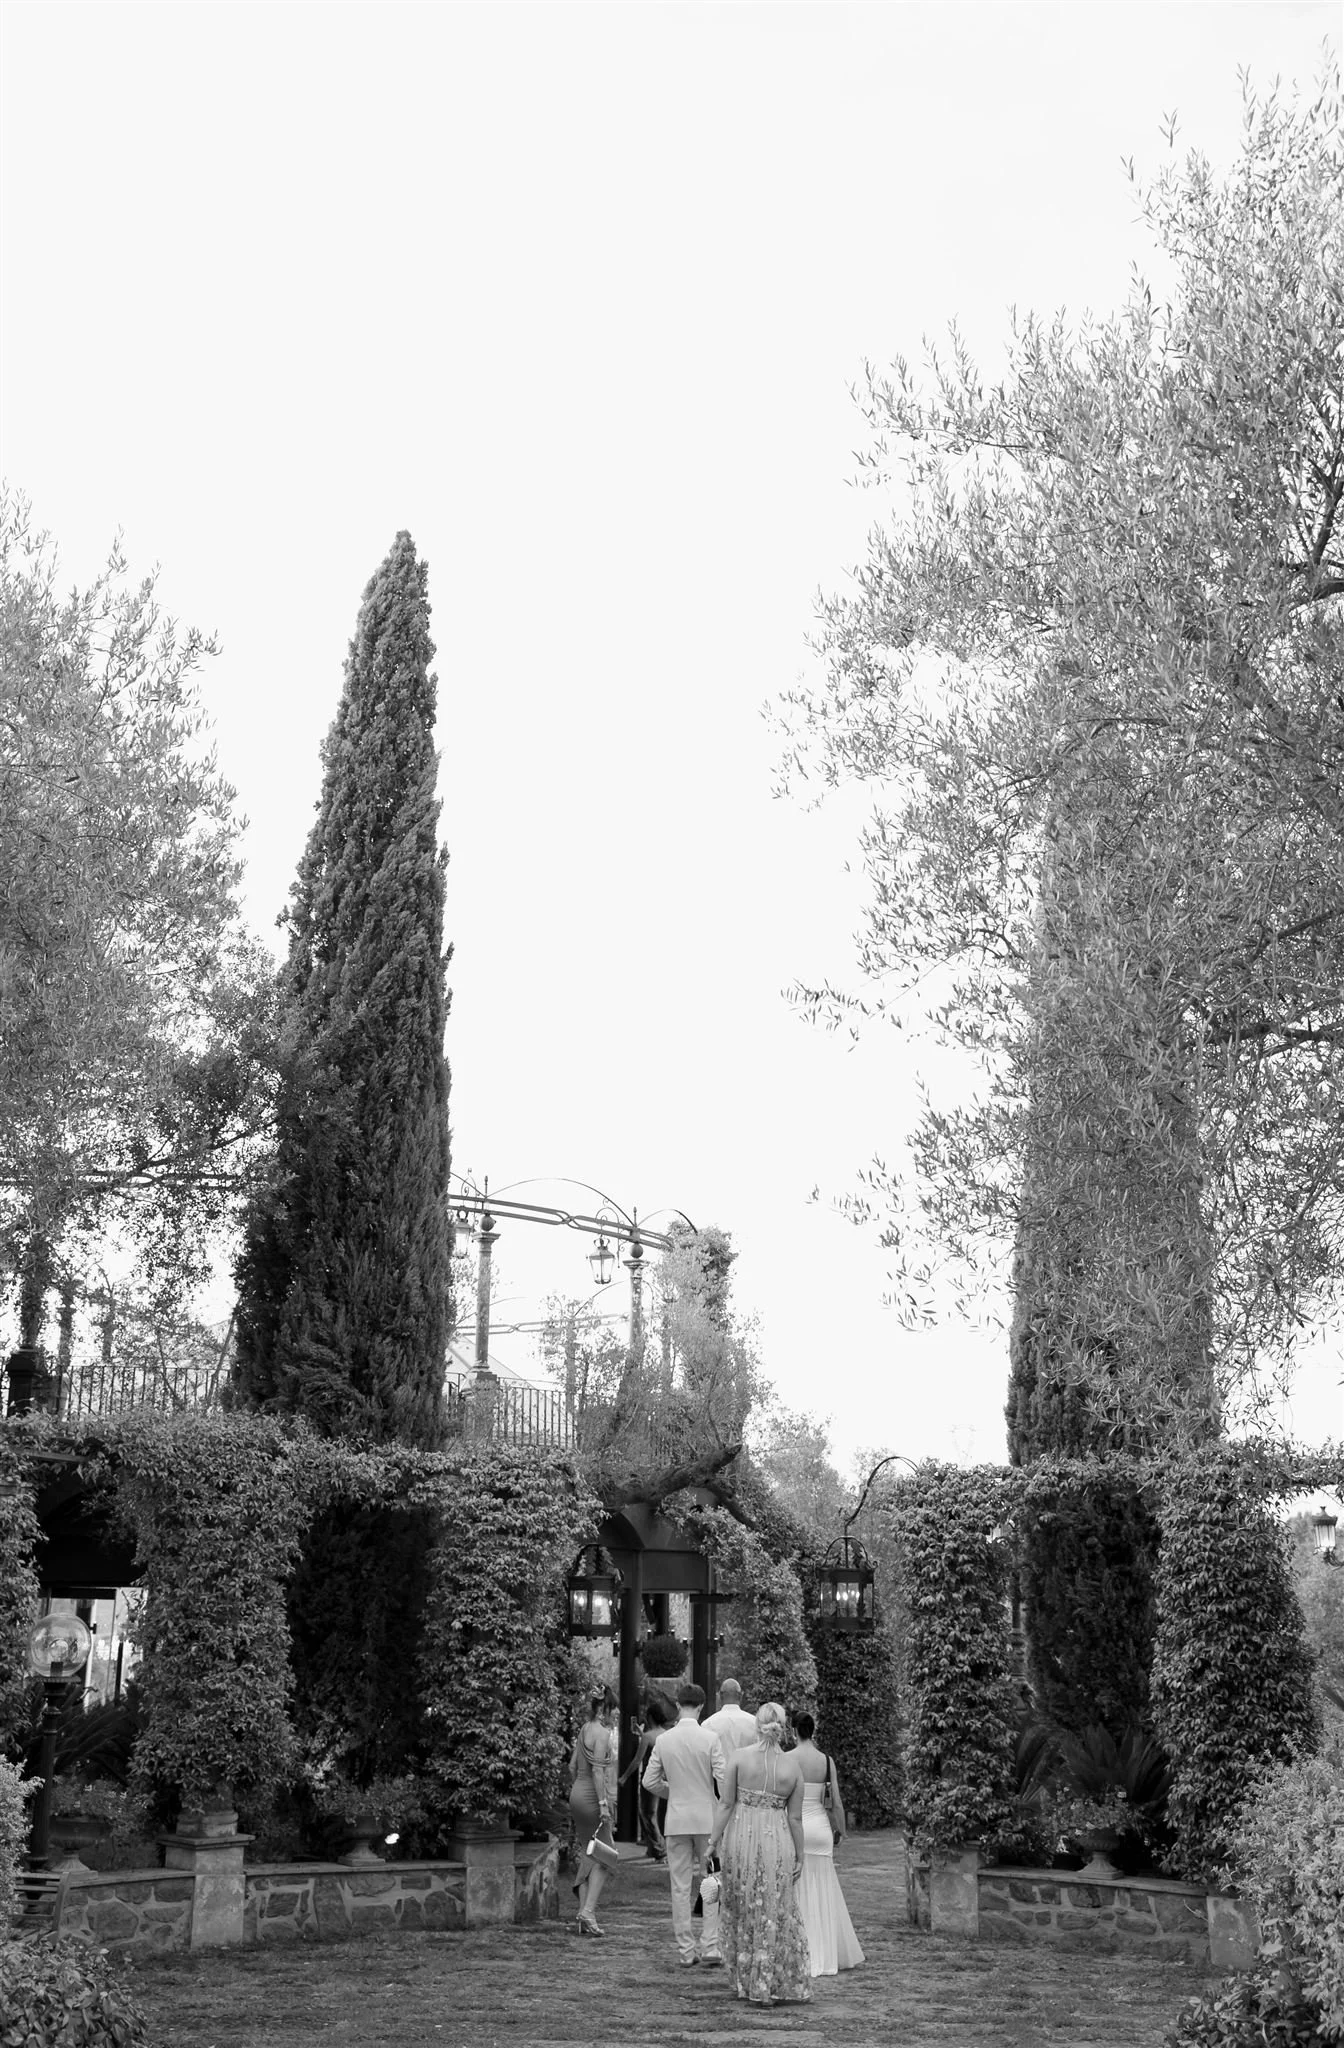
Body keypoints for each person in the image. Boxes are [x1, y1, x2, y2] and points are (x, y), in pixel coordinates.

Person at [708, 1700, 811, 2006]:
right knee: (773, 1908)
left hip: (741, 1839)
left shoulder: (739, 1759)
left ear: (758, 1725)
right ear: (782, 1729)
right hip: (777, 1841)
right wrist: (800, 1854)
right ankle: (767, 1979)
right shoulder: (793, 1767)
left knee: (743, 1904)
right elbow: (795, 1818)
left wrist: (712, 1842)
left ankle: (746, 1980)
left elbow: (725, 1804)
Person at [641, 1680, 726, 1967]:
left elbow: (649, 1781)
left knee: (679, 1886)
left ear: (678, 1705)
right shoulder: (710, 1739)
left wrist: (672, 1791)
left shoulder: (664, 1740)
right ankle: (711, 1944)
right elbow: (723, 1780)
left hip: (676, 1820)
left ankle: (686, 1950)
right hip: (706, 1819)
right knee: (712, 1880)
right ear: (701, 1707)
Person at [791, 1709, 864, 1976]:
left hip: (796, 1827)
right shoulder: (826, 1761)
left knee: (799, 1887)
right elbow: (836, 1802)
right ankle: (827, 1950)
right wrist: (841, 1831)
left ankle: (802, 1948)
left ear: (793, 1731)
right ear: (813, 1731)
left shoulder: (787, 1759)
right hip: (820, 1828)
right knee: (823, 1886)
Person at [568, 1685, 618, 1936]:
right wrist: (602, 1804)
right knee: (607, 1855)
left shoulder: (584, 1729)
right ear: (604, 1708)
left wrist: (579, 1788)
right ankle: (588, 1910)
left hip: (577, 1792)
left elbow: (572, 1765)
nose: (613, 1715)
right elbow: (598, 1771)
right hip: (592, 1798)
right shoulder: (601, 1733)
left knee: (590, 1853)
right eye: (612, 1710)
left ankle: (584, 1916)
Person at [619, 1693, 671, 1859]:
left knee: (647, 1815)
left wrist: (624, 1777)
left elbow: (637, 1761)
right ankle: (654, 1848)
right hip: (666, 1778)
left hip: (650, 1780)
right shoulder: (667, 1734)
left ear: (650, 1717)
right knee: (657, 1815)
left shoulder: (648, 1737)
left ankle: (660, 1850)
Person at [701, 1677, 759, 1777]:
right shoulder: (754, 1723)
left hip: (718, 1785)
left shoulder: (708, 1724)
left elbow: (704, 1760)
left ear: (720, 1696)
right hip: (747, 1782)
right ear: (740, 1696)